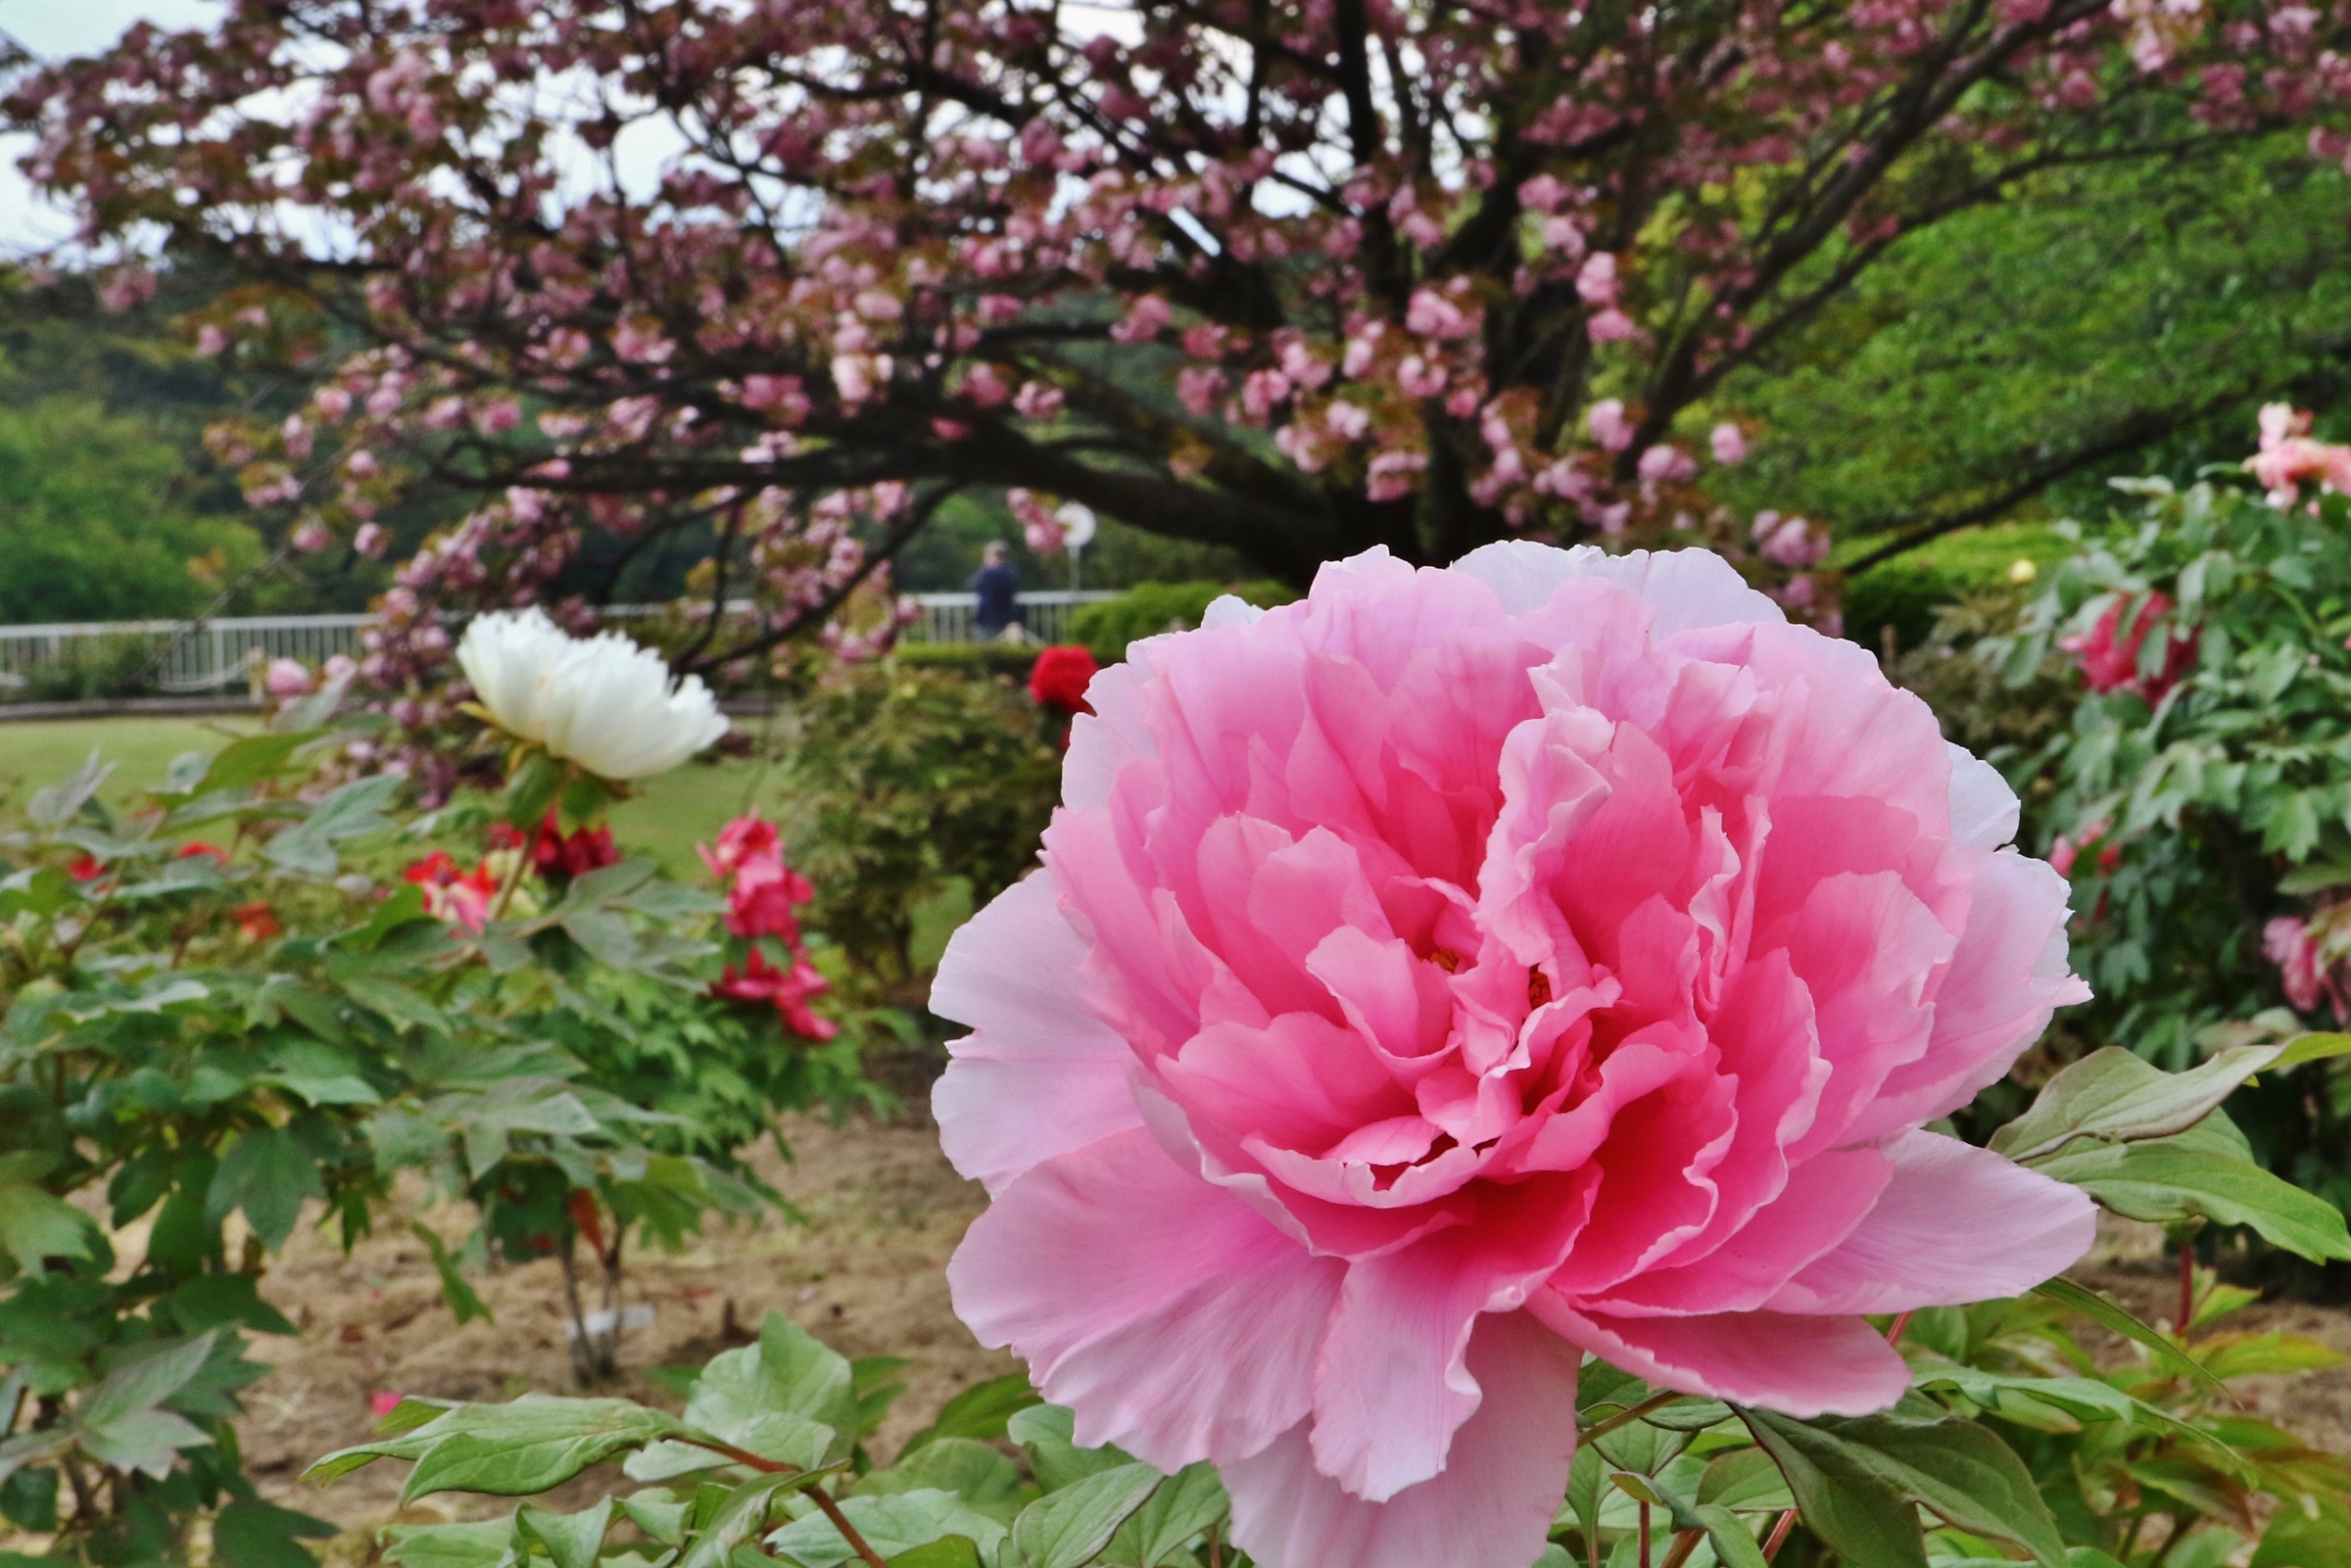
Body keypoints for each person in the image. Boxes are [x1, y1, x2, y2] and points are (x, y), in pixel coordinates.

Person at [969, 541, 1025, 641]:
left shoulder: (1007, 572)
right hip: (987, 618)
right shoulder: (984, 571)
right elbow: (970, 585)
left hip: (1002, 618)